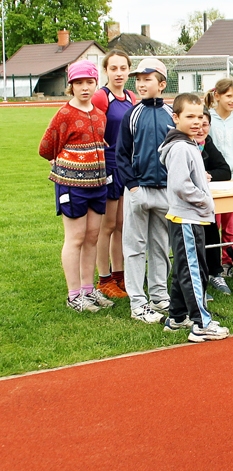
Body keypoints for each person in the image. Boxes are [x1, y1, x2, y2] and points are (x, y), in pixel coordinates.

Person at [39, 60, 114, 313]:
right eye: (79, 83)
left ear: (96, 84)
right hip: (72, 185)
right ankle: (74, 296)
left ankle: (88, 290)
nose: (84, 87)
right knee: (76, 237)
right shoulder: (64, 114)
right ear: (71, 85)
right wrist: (64, 161)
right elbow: (46, 147)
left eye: (89, 82)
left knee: (92, 236)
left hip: (98, 184)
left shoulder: (99, 114)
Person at [158, 93, 229, 343]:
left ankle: (177, 316)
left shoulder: (189, 144)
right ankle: (202, 323)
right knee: (194, 271)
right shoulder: (179, 147)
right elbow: (180, 185)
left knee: (184, 268)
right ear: (176, 118)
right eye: (190, 117)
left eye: (200, 116)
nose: (197, 122)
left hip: (190, 218)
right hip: (186, 218)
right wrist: (204, 198)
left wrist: (202, 183)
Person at [116, 58, 173, 324]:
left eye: (147, 79)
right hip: (138, 190)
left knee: (160, 245)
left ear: (161, 84)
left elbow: (180, 153)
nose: (140, 83)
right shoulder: (132, 113)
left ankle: (160, 295)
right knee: (135, 247)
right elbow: (121, 155)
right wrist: (133, 186)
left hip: (165, 192)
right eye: (138, 79)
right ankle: (138, 302)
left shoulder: (172, 114)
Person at [92, 50, 136, 299]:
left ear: (129, 70)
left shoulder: (131, 96)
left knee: (122, 224)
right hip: (107, 166)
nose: (119, 73)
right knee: (106, 225)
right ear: (106, 71)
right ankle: (104, 278)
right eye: (114, 68)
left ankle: (120, 275)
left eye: (123, 68)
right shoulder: (101, 97)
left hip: (125, 166)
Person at [205, 78, 233, 276]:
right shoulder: (208, 119)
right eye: (229, 96)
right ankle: (213, 264)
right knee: (215, 223)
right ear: (217, 96)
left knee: (229, 225)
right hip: (214, 180)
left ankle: (228, 260)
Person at [196, 107, 232, 297]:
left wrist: (209, 175)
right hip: (187, 204)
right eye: (198, 124)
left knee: (211, 228)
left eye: (205, 125)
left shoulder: (207, 143)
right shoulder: (183, 145)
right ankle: (198, 279)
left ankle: (215, 272)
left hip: (206, 202)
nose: (201, 129)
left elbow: (225, 170)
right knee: (195, 235)